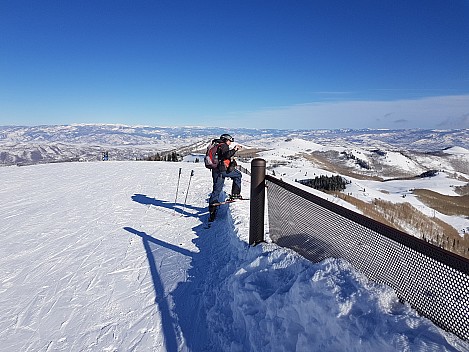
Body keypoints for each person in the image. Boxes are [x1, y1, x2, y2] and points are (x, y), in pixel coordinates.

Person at [208, 133, 242, 222]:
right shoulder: (223, 146)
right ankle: (235, 194)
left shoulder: (217, 145)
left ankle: (212, 212)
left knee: (216, 190)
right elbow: (226, 155)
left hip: (216, 171)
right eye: (230, 141)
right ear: (226, 140)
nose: (230, 142)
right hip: (222, 170)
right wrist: (235, 149)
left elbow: (223, 155)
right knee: (238, 175)